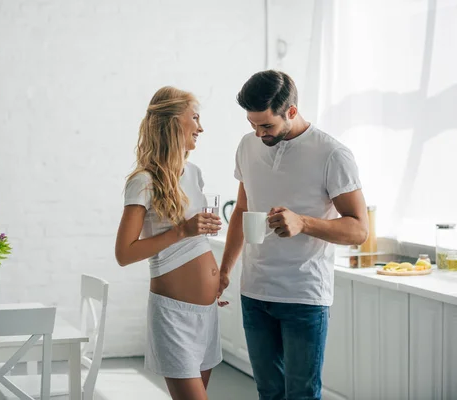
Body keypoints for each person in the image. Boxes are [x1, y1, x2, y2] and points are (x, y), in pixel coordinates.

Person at [218, 70, 368, 400]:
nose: (258, 133)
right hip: (254, 293)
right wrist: (225, 271)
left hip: (304, 296)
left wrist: (304, 222)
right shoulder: (247, 146)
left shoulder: (332, 154)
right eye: (252, 124)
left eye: (266, 126)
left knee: (301, 394)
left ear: (292, 111)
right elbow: (242, 210)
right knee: (268, 392)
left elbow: (358, 228)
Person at [115, 86, 225, 400]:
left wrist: (212, 272)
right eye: (194, 117)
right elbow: (124, 253)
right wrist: (183, 231)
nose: (201, 127)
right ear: (172, 122)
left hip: (208, 312)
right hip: (174, 316)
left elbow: (194, 239)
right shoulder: (143, 181)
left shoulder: (194, 173)